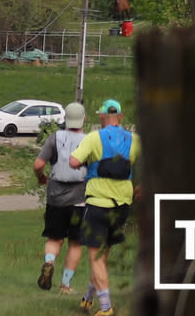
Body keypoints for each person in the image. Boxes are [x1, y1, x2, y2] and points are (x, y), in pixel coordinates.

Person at [66, 97, 139, 315]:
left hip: (98, 204)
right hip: (122, 205)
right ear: (121, 117)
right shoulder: (135, 139)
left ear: (101, 116)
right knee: (101, 256)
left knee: (95, 257)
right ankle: (88, 299)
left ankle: (106, 308)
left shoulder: (93, 137)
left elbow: (73, 162)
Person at [34, 102, 90, 292]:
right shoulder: (89, 141)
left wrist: (41, 177)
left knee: (54, 238)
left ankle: (49, 262)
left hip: (55, 197)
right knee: (75, 243)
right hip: (79, 199)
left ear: (65, 119)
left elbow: (38, 165)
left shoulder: (54, 138)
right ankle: (65, 285)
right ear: (84, 119)